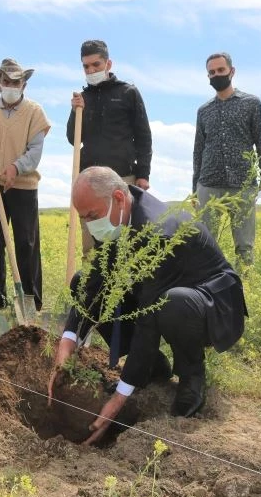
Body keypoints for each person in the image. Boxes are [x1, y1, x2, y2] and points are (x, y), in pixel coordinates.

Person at [47, 166, 247, 445]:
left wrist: (119, 399)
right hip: (161, 290)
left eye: (92, 216)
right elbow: (94, 283)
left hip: (211, 301)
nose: (90, 225)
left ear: (118, 198)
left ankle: (192, 376)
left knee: (172, 304)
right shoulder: (115, 215)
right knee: (82, 281)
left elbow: (148, 315)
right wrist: (67, 343)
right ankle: (152, 367)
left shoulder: (156, 231)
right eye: (83, 219)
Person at [0, 58, 50, 311]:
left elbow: (35, 151)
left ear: (24, 84)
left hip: (24, 186)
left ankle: (31, 302)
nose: (11, 85)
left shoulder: (35, 112)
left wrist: (16, 166)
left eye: (16, 81)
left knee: (26, 242)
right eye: (6, 81)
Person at [66, 40, 153, 256]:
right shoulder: (82, 98)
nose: (91, 70)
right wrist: (75, 112)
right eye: (86, 66)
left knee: (126, 243)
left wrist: (143, 175)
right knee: (92, 249)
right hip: (90, 182)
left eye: (96, 64)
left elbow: (143, 136)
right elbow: (73, 138)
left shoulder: (128, 92)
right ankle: (93, 289)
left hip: (123, 179)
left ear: (108, 63)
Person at [192, 52, 261, 266]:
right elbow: (198, 150)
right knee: (205, 242)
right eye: (211, 72)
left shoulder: (251, 103)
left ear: (232, 71)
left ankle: (243, 285)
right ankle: (209, 284)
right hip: (208, 184)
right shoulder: (204, 111)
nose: (216, 75)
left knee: (244, 244)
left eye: (221, 70)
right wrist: (195, 189)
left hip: (243, 184)